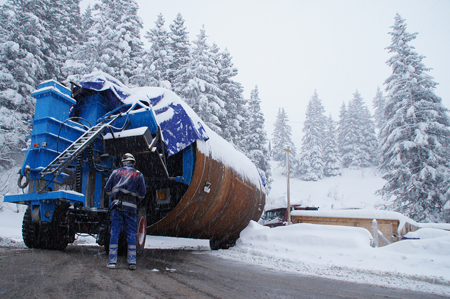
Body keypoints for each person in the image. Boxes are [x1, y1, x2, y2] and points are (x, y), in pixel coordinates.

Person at [105, 153, 146, 270]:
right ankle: (132, 262)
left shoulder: (115, 172)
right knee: (131, 234)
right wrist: (135, 198)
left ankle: (112, 261)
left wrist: (114, 196)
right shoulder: (138, 174)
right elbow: (142, 193)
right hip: (131, 207)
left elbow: (107, 189)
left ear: (123, 162)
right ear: (133, 163)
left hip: (117, 206)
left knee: (115, 233)